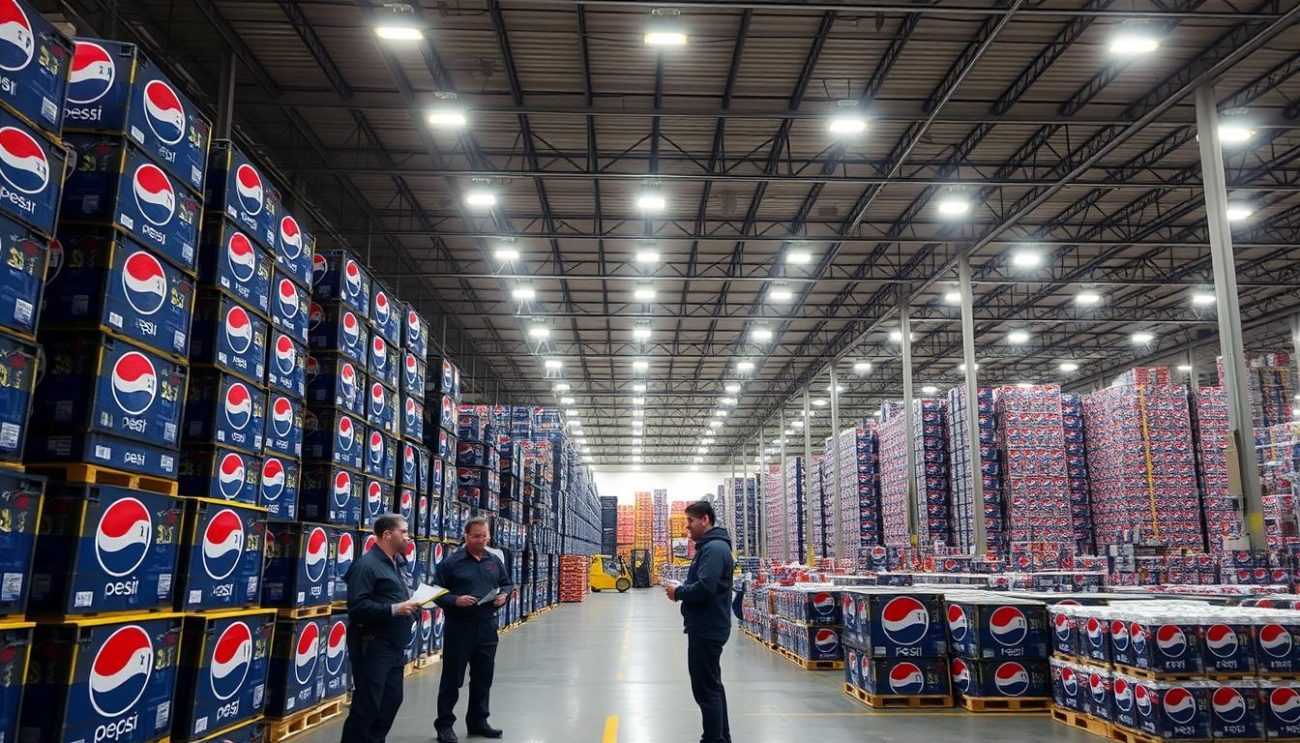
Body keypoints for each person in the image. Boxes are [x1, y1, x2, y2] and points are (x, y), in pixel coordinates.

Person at [340, 514, 421, 743]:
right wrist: (395, 609)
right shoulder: (366, 566)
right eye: (403, 532)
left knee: (391, 700)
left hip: (393, 647)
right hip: (373, 644)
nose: (408, 537)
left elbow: (396, 596)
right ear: (387, 534)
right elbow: (357, 607)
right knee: (367, 705)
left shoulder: (395, 563)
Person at [433, 517, 513, 742]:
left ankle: (478, 721)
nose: (481, 540)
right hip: (460, 628)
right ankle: (444, 725)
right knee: (452, 678)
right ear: (466, 536)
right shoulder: (452, 563)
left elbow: (507, 583)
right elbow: (436, 591)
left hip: (487, 626)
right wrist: (455, 600)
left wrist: (503, 596)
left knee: (483, 676)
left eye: (485, 536)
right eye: (476, 536)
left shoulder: (493, 560)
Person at [665, 500, 735, 743]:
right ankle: (721, 738)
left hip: (707, 626)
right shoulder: (712, 547)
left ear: (705, 519)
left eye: (691, 521)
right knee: (712, 686)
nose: (688, 527)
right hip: (708, 624)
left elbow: (705, 587)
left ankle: (713, 739)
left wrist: (679, 592)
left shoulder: (714, 548)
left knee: (705, 690)